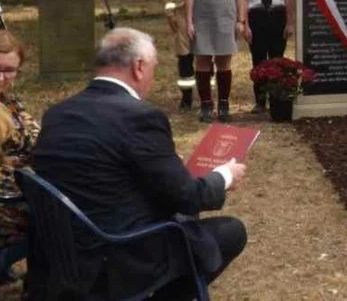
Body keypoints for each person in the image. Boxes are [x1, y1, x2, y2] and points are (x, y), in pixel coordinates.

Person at [32, 29, 247, 301]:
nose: (152, 80)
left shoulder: (57, 113)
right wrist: (223, 176)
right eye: (154, 70)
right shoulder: (140, 117)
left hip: (60, 253)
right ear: (139, 67)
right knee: (230, 231)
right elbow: (188, 198)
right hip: (116, 256)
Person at [0, 31, 39, 278]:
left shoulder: (9, 101)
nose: (0, 77)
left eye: (9, 70)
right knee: (58, 224)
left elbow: (36, 140)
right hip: (1, 201)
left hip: (16, 190)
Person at [246, 0, 295, 113]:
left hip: (277, 16)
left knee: (277, 59)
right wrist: (246, 25)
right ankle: (259, 101)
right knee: (258, 60)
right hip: (257, 17)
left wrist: (290, 23)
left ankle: (277, 99)